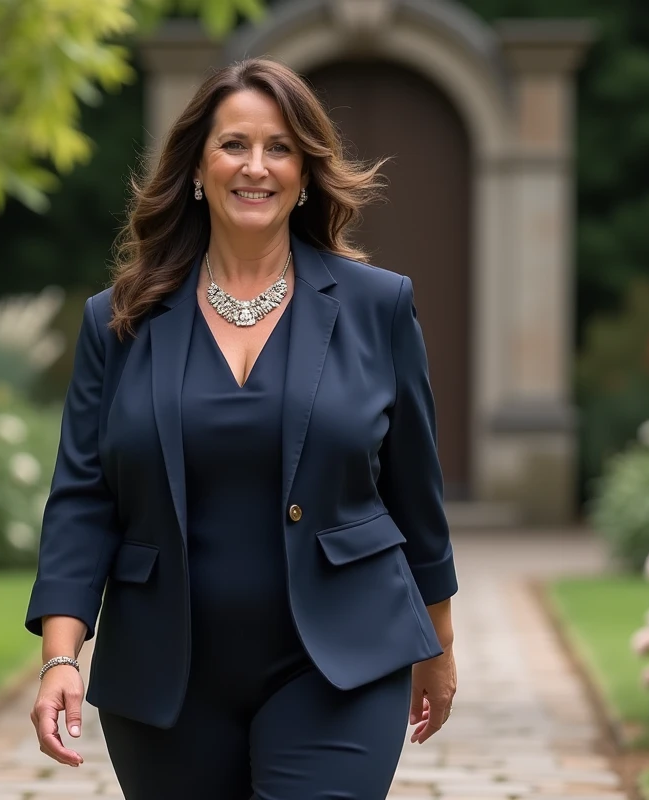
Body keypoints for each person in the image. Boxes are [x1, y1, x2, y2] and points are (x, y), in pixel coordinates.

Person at [25, 56, 458, 799]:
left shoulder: (377, 306)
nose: (255, 167)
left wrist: (437, 644)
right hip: (167, 676)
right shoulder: (118, 320)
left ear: (305, 172)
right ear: (197, 164)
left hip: (341, 662)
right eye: (234, 145)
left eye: (280, 148)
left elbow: (415, 491)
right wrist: (61, 656)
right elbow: (83, 499)